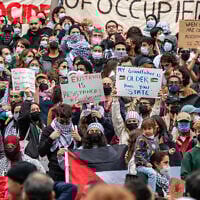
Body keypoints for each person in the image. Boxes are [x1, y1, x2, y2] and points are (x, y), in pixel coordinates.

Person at [39, 104, 74, 181]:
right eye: (62, 121)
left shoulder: (74, 129)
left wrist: (79, 140)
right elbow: (41, 152)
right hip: (55, 172)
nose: (64, 124)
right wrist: (50, 138)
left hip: (73, 171)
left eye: (67, 122)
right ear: (57, 117)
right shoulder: (48, 130)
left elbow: (83, 149)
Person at [134, 118, 159, 192]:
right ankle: (151, 193)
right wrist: (146, 163)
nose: (147, 131)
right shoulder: (141, 139)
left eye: (149, 128)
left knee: (165, 172)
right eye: (145, 129)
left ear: (154, 129)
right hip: (141, 166)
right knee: (152, 174)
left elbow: (158, 152)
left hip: (152, 165)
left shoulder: (155, 140)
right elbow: (137, 153)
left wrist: (167, 152)